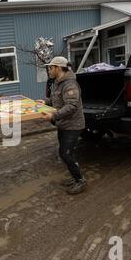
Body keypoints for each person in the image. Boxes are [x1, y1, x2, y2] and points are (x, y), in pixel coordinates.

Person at [39, 56, 87, 195]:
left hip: (73, 125)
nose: (49, 70)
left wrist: (53, 116)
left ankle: (80, 180)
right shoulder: (58, 83)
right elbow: (57, 100)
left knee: (65, 154)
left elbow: (71, 106)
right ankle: (75, 178)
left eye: (51, 68)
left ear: (58, 68)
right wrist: (46, 102)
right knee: (65, 153)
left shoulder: (70, 84)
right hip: (63, 124)